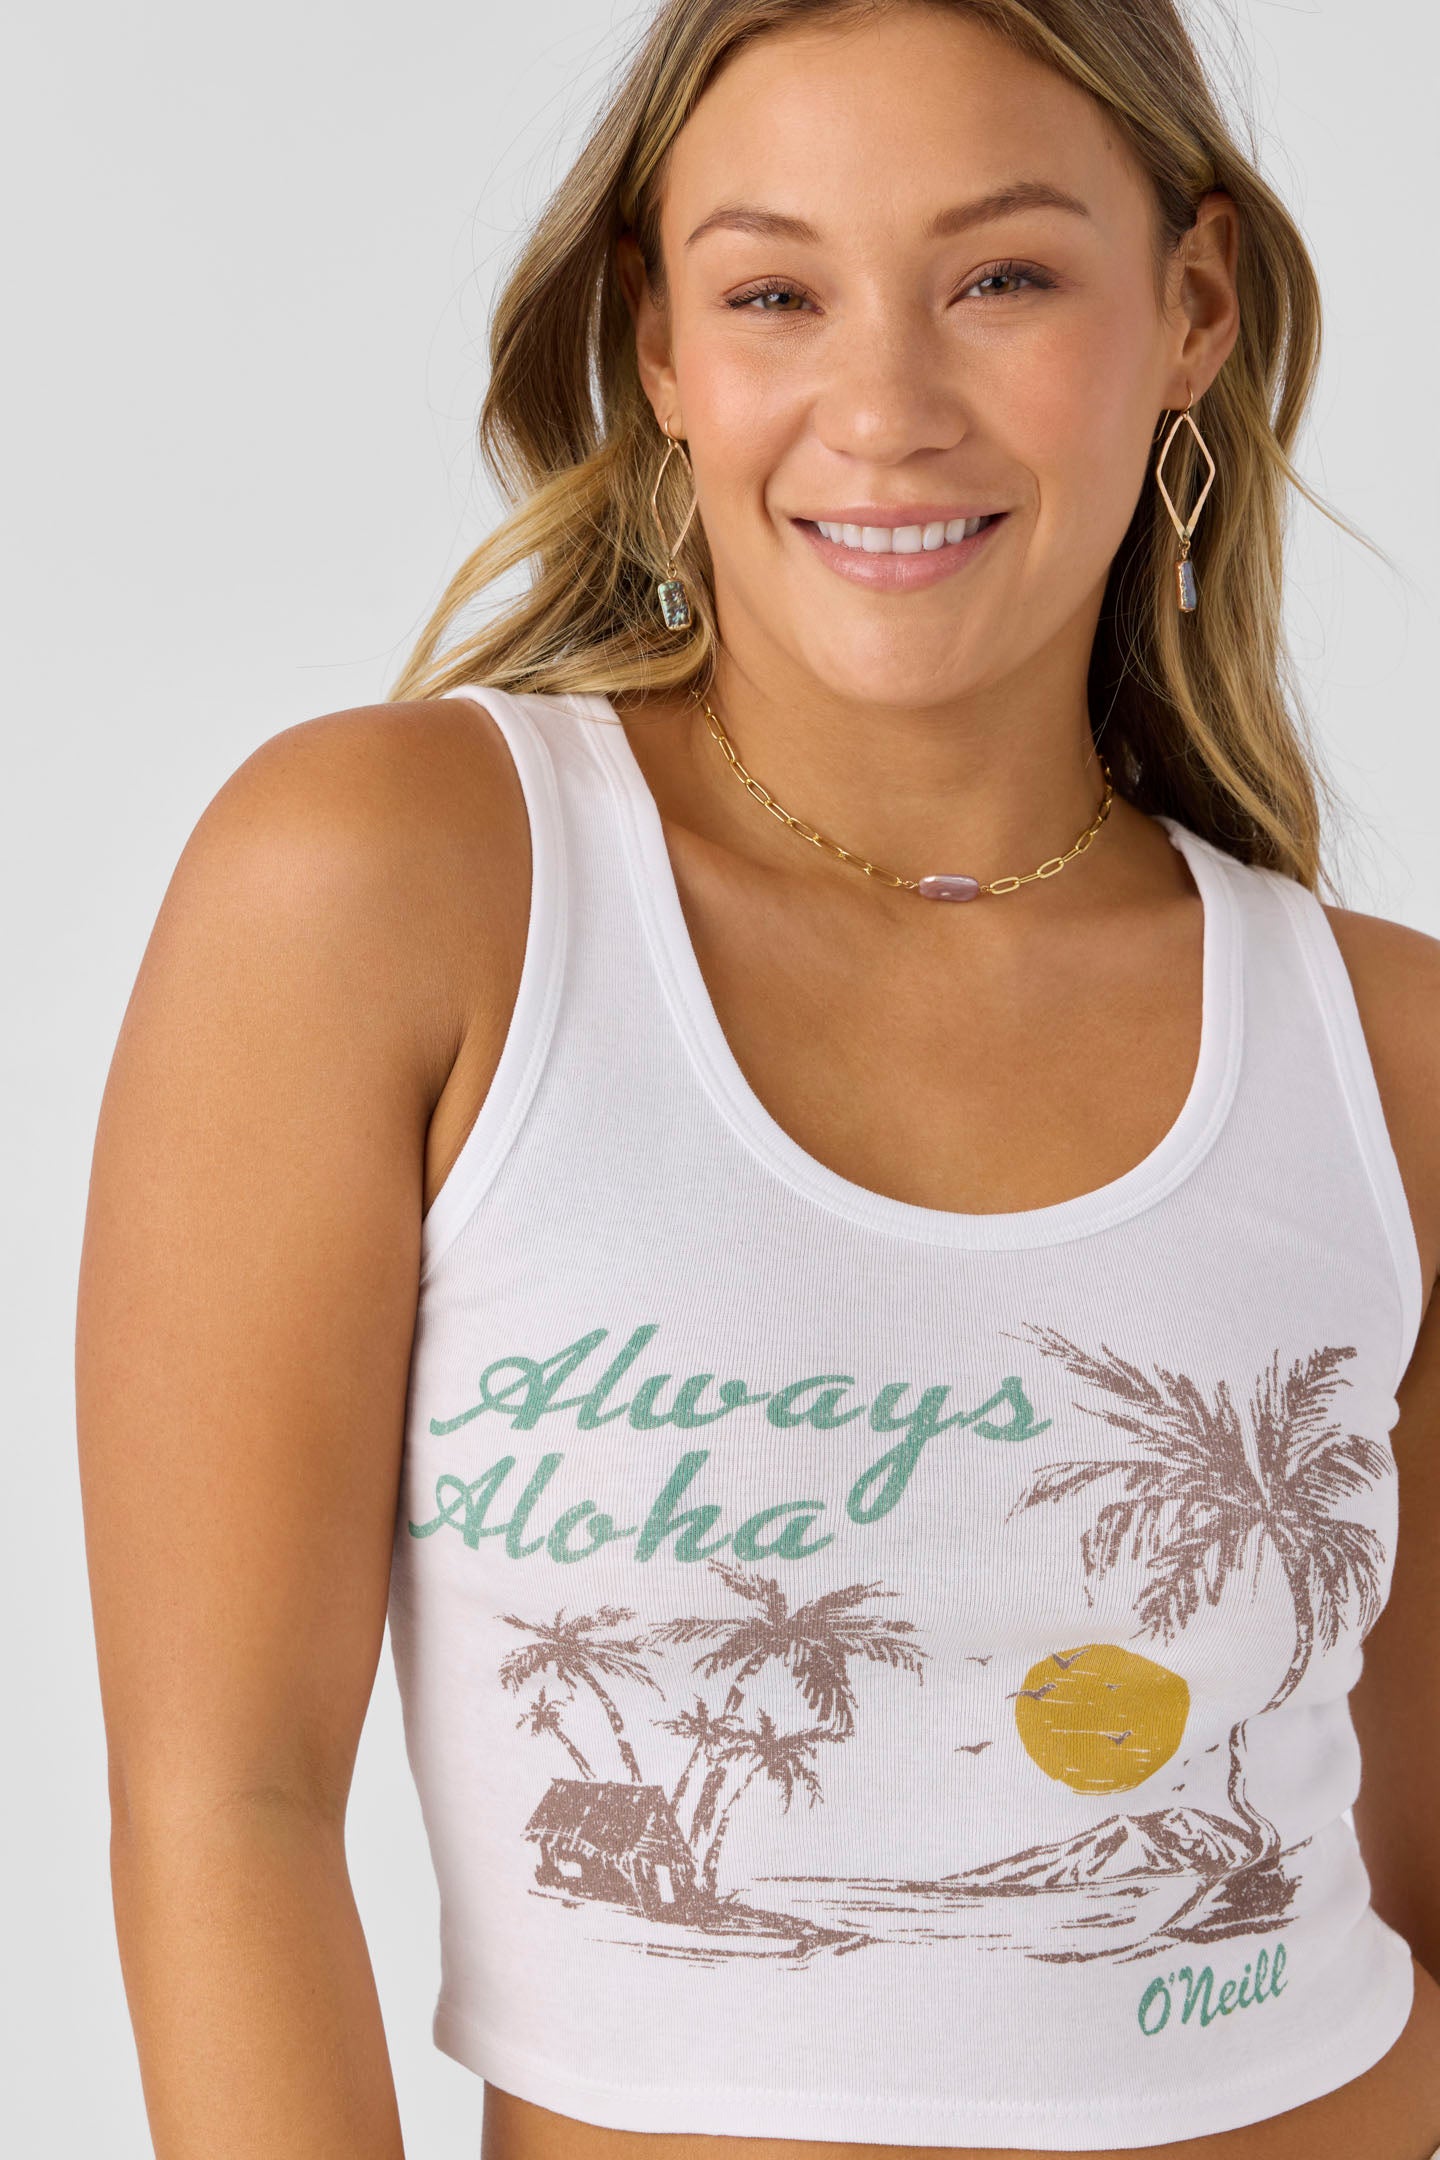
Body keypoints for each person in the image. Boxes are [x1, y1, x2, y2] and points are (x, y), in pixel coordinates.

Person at [75, 2, 1440, 2157]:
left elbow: (1401, 1863)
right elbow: (221, 1803)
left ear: (1193, 307)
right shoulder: (398, 885)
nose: (882, 408)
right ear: (658, 344)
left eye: (1002, 277)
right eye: (775, 294)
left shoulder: (1390, 1054)